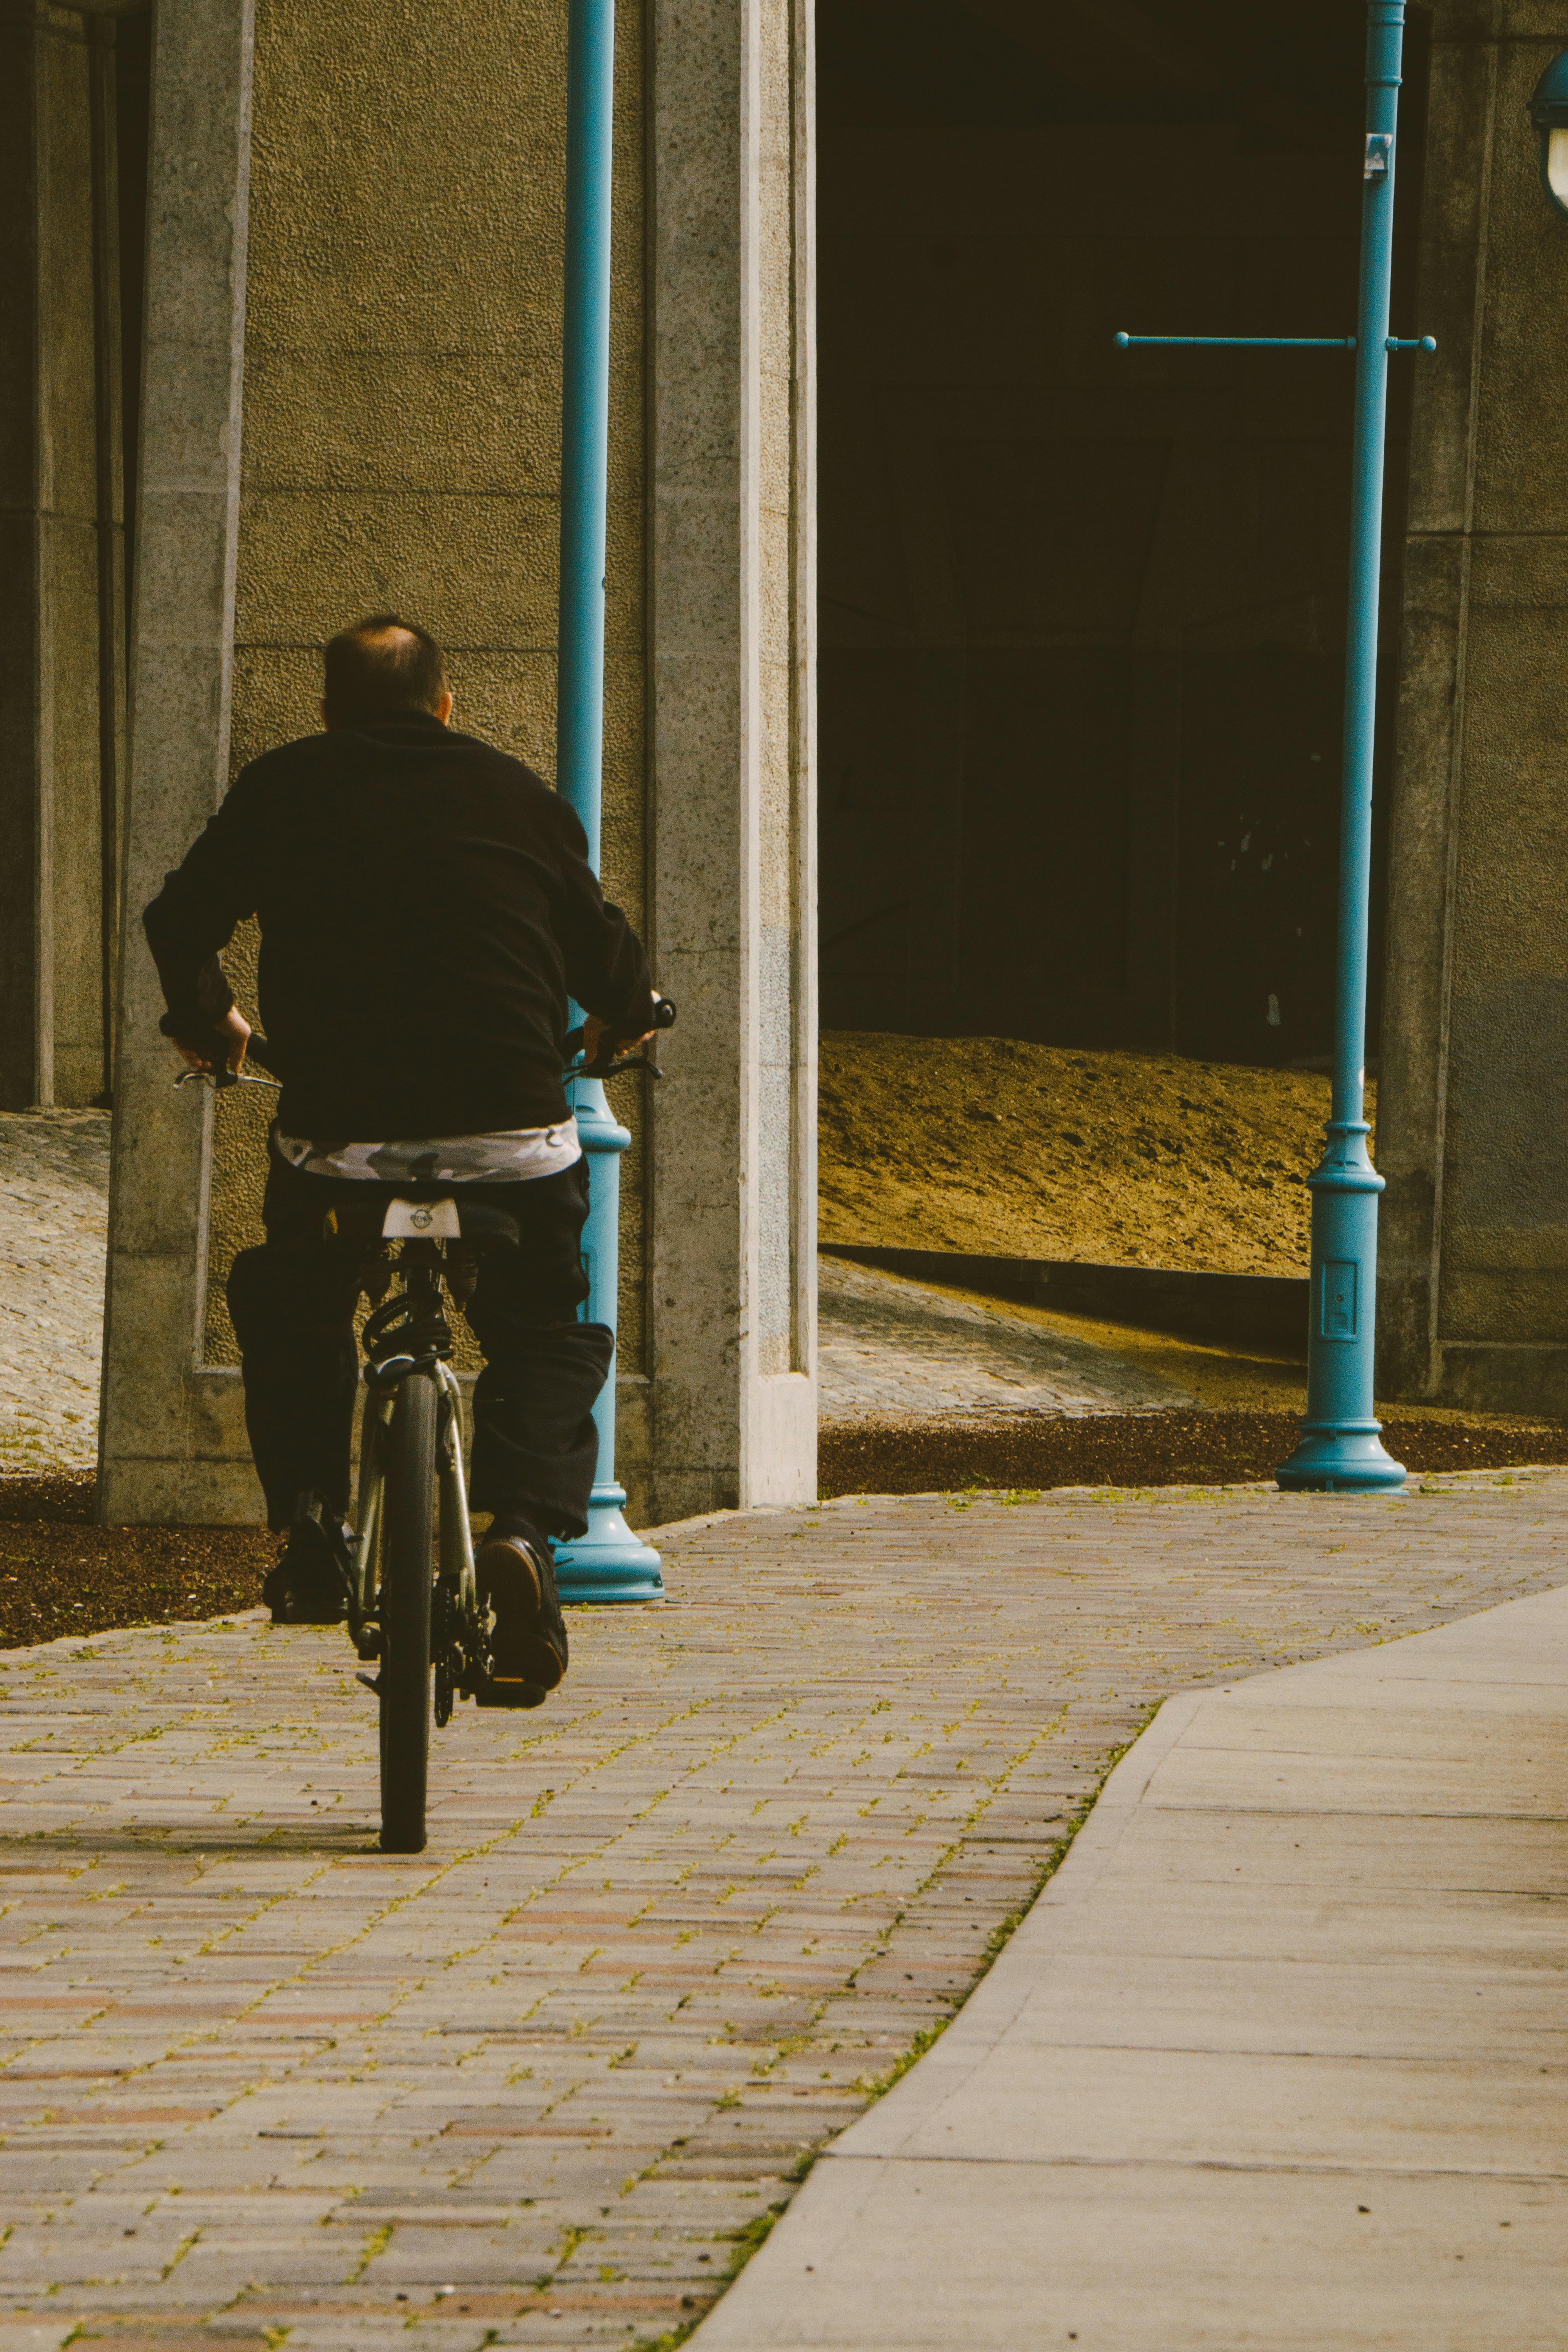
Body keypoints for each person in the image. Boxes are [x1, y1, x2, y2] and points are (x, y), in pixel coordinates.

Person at [143, 614, 661, 1706]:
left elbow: (179, 918)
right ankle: (522, 1534)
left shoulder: (284, 785)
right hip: (510, 1138)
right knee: (546, 1332)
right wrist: (626, 1018)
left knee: (295, 1298)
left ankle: (313, 1527)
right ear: (446, 704)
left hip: (341, 1140)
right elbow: (606, 957)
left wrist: (209, 1017)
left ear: (329, 712)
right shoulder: (519, 797)